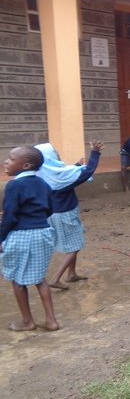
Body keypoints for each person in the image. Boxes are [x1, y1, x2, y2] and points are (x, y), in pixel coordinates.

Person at [1, 146, 58, 332]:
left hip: (22, 235)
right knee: (40, 278)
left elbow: (10, 217)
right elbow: (50, 209)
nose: (6, 161)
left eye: (11, 158)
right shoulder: (43, 184)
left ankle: (28, 321)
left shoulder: (14, 185)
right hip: (43, 233)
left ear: (25, 165)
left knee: (18, 279)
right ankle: (51, 320)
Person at [36, 141, 102, 290]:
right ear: (49, 156)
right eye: (54, 152)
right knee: (75, 246)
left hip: (53, 214)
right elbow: (88, 171)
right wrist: (95, 153)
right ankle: (55, 278)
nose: (57, 153)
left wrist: (76, 166)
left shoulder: (43, 173)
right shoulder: (61, 178)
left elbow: (64, 175)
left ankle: (71, 274)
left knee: (72, 242)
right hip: (66, 214)